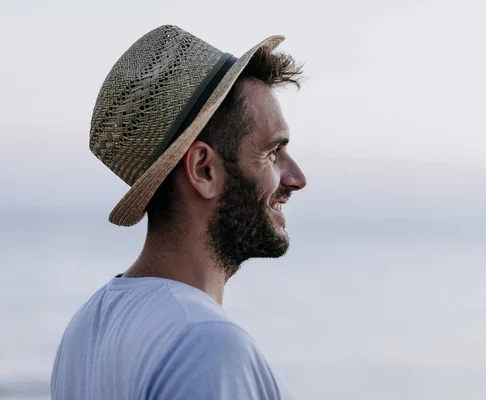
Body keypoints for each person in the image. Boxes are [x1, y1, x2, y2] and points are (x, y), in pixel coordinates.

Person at [51, 24, 307, 399]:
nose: (297, 178)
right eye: (272, 152)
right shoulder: (208, 345)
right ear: (204, 170)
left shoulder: (86, 330)